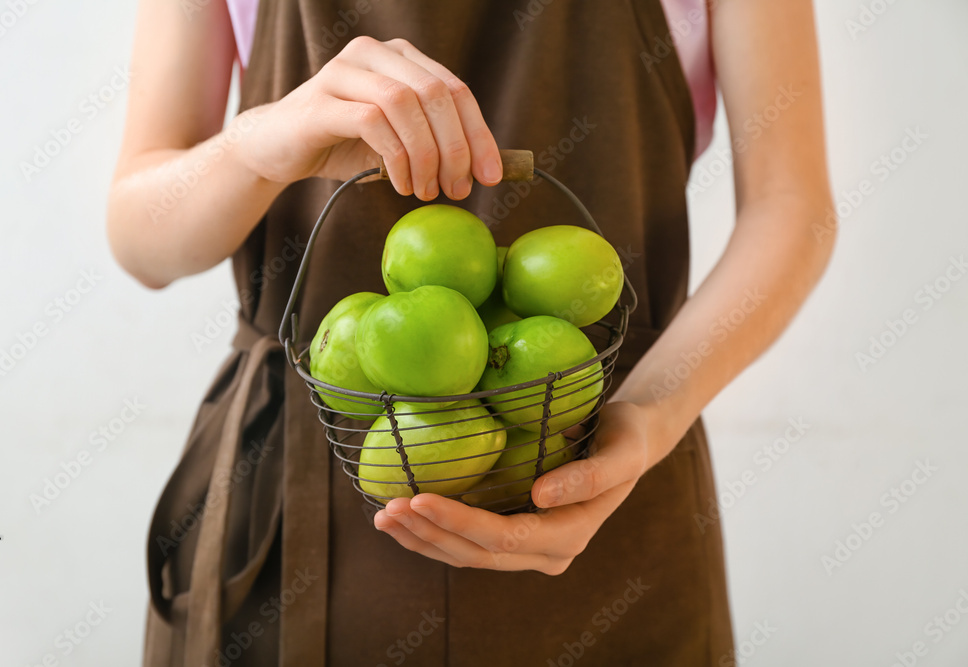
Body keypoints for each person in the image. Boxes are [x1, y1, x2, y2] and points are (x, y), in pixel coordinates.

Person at [108, 0, 834, 664]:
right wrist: (253, 147)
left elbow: (791, 209)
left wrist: (649, 414)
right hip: (294, 525)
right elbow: (141, 237)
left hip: (606, 472)